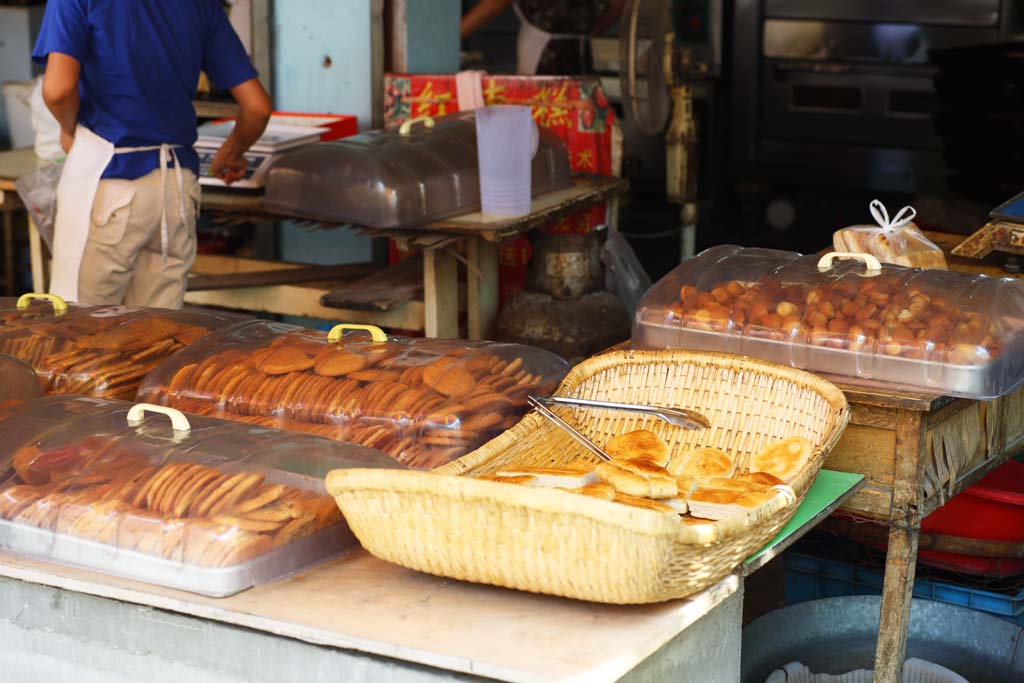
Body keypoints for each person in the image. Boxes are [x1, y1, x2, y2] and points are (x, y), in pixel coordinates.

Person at [33, 0, 272, 309]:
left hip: (110, 185)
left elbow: (57, 90)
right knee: (155, 339)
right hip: (176, 189)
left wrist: (69, 130)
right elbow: (258, 108)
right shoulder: (202, 7)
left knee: (83, 336)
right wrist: (233, 152)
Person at [460, 0, 625, 76]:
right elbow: (618, 5)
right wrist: (587, 33)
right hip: (581, 49)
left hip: (542, 52)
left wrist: (454, 35)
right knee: (576, 119)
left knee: (541, 123)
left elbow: (494, 5)